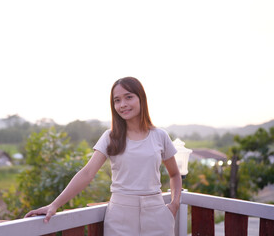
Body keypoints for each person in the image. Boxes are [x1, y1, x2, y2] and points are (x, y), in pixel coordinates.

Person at [24, 77, 182, 236]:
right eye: (117, 100)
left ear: (141, 98)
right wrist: (54, 205)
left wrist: (175, 204)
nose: (123, 104)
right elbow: (87, 173)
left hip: (157, 216)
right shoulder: (110, 137)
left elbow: (175, 174)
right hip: (120, 217)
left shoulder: (160, 135)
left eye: (129, 97)